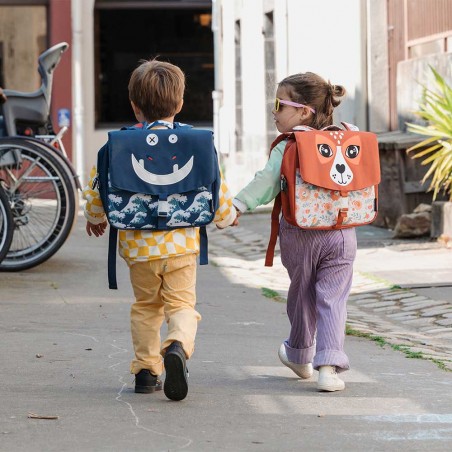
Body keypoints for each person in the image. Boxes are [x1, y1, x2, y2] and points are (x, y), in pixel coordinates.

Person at [82, 59, 237, 401]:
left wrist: (95, 216)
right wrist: (226, 216)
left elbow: (98, 185)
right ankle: (178, 345)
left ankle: (146, 371)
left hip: (139, 248)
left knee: (146, 307)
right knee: (181, 305)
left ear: (134, 106)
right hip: (182, 246)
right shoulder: (197, 143)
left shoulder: (116, 145)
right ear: (180, 103)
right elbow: (215, 186)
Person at [233, 72, 355, 392]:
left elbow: (266, 181)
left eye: (279, 104)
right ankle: (328, 368)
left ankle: (301, 354)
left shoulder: (290, 143)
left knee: (302, 292)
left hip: (301, 232)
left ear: (303, 112)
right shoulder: (346, 136)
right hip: (343, 230)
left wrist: (237, 206)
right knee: (333, 298)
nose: (273, 112)